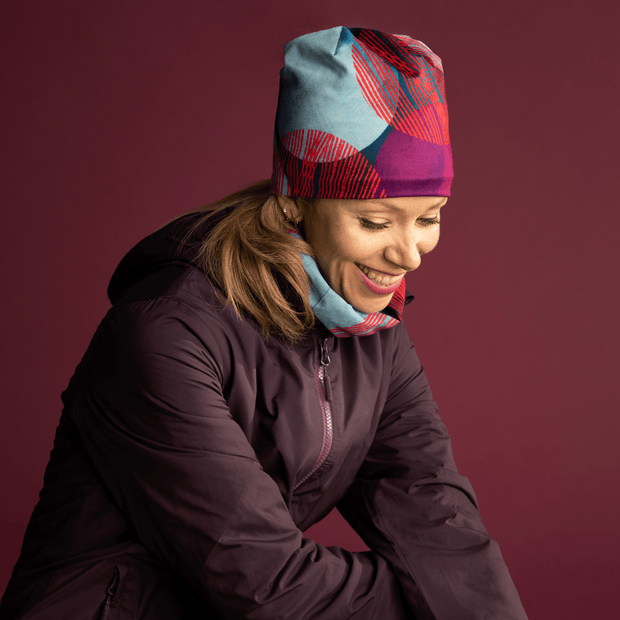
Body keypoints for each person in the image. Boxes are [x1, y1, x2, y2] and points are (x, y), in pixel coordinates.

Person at [0, 26, 528, 619]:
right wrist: (433, 598)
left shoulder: (372, 330)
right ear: (293, 203)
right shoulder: (164, 333)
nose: (409, 254)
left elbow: (434, 512)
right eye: (376, 223)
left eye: (429, 217)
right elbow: (265, 583)